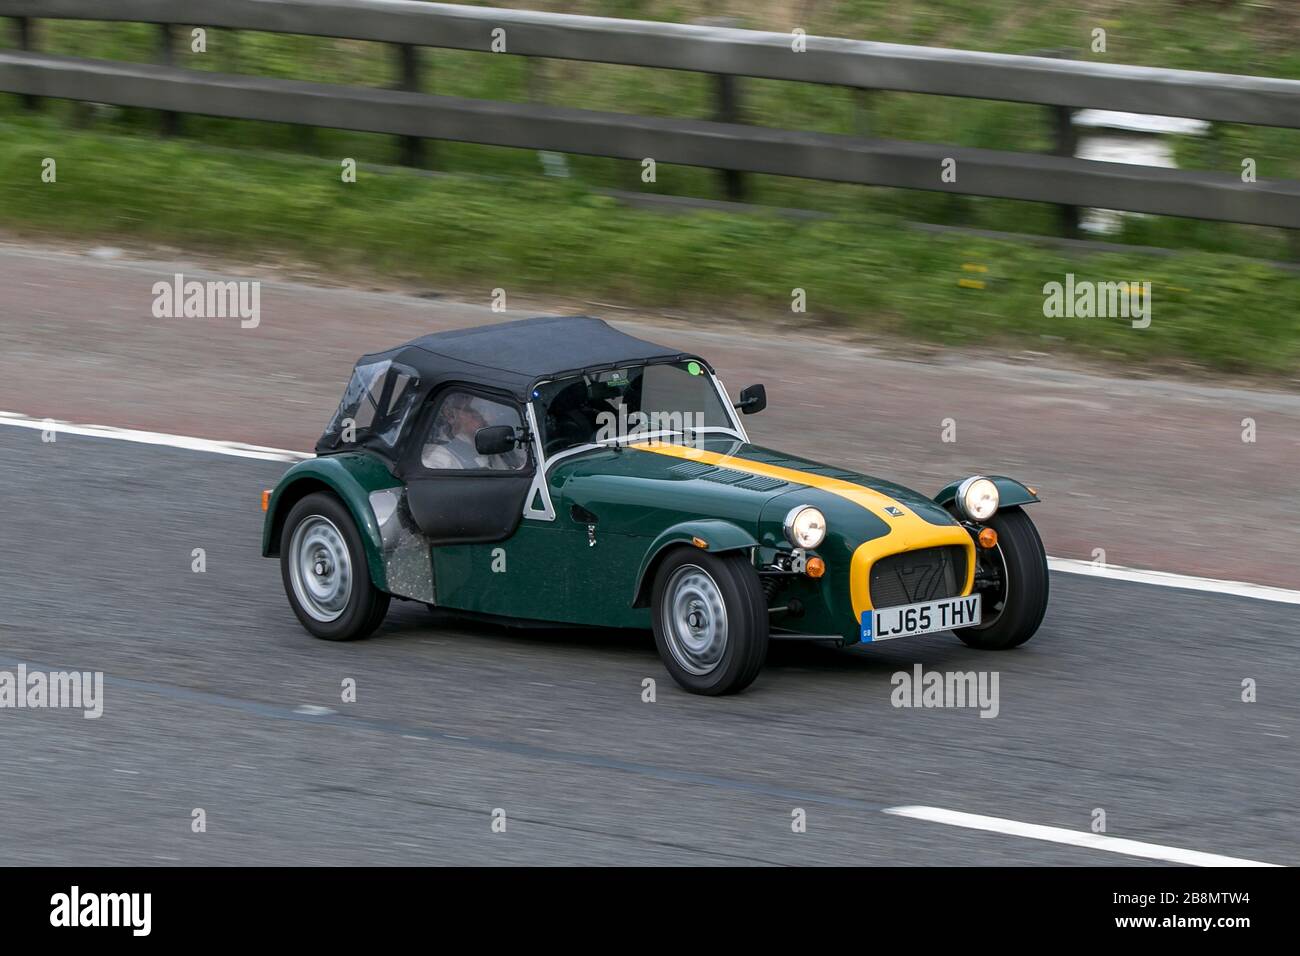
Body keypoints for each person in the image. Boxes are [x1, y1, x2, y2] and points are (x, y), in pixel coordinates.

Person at [421, 393, 525, 470]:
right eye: (479, 410)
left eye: (494, 410)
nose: (490, 417)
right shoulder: (440, 457)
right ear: (450, 415)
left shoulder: (501, 446)